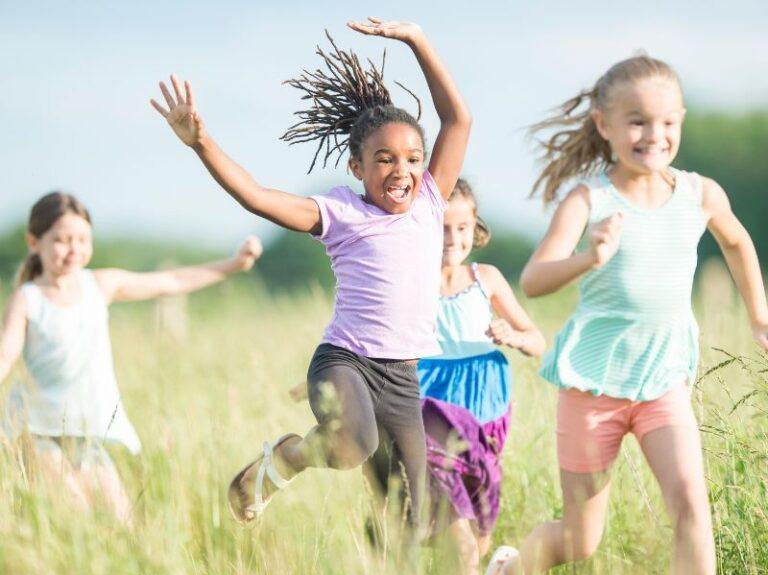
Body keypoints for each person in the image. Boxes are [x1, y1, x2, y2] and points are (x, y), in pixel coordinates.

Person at [150, 17, 471, 546]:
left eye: (413, 158)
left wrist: (417, 39)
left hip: (403, 378)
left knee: (412, 518)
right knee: (351, 445)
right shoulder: (339, 212)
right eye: (384, 159)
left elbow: (457, 118)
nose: (402, 170)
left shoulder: (432, 201)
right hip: (345, 362)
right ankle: (286, 458)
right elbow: (257, 196)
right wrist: (201, 142)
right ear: (356, 165)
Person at [486, 55, 768, 575]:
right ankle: (511, 568)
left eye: (666, 122)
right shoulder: (588, 200)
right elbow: (534, 278)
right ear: (604, 125)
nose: (653, 134)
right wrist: (590, 258)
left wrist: (759, 316)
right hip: (592, 387)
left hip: (665, 382)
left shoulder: (699, 194)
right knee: (580, 538)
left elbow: (736, 242)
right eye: (636, 120)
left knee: (690, 505)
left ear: (681, 119)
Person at [0, 192, 262, 524]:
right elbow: (5, 354)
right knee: (76, 516)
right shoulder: (28, 299)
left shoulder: (99, 285)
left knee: (123, 521)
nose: (73, 249)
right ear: (34, 242)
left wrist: (234, 264)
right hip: (38, 432)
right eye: (61, 240)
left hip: (88, 433)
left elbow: (170, 281)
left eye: (82, 239)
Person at [418, 179, 544, 575]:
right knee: (454, 520)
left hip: (486, 400)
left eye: (462, 228)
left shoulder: (485, 278)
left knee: (479, 522)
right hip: (432, 402)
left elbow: (538, 340)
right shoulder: (412, 280)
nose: (452, 239)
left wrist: (514, 336)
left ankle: (491, 563)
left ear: (475, 228)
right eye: (442, 228)